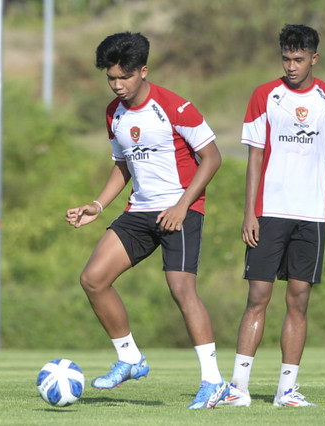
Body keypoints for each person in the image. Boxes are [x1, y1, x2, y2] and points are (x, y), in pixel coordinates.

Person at [65, 32, 227, 409]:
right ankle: (130, 358)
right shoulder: (113, 113)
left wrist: (182, 206)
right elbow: (123, 166)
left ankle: (213, 381)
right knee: (93, 279)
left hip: (180, 210)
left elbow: (213, 158)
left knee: (182, 291)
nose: (117, 85)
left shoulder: (175, 107)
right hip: (139, 211)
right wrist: (97, 205)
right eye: (111, 78)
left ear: (143, 71)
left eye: (124, 77)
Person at [220, 24, 325, 408]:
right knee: (258, 296)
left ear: (314, 58)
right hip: (270, 212)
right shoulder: (265, 95)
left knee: (299, 299)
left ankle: (286, 391)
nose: (291, 66)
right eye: (286, 59)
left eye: (298, 59)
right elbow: (255, 158)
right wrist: (249, 212)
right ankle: (238, 389)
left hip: (312, 216)